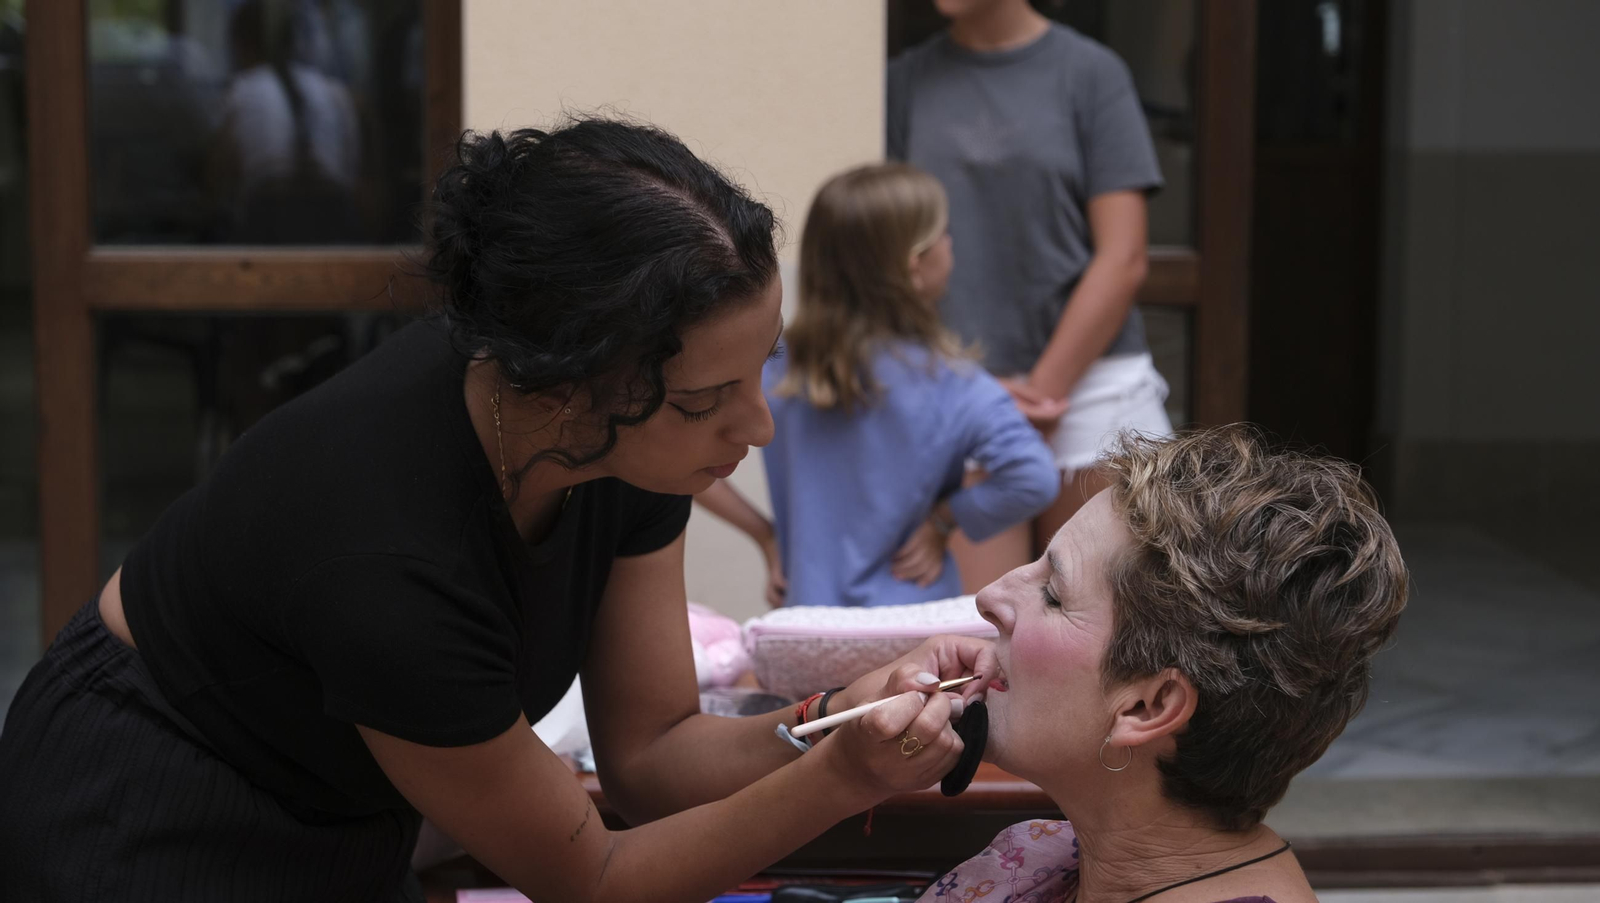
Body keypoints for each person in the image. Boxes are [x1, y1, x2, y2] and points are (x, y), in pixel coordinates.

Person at [0, 118, 996, 902]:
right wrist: (843, 777)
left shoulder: (611, 442)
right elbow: (594, 878)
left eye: (759, 369)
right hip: (150, 807)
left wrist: (836, 714)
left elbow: (651, 758)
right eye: (705, 401)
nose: (758, 427)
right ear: (568, 385)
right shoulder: (386, 551)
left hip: (339, 808)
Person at [920, 426, 1408, 903]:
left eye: (1052, 594)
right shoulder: (1030, 860)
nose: (989, 597)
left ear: (1148, 707)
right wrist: (870, 771)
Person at [888, 0, 1172, 588]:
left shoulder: (1092, 74)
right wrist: (982, 402)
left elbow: (1123, 258)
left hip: (1092, 388)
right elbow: (884, 254)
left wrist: (1040, 393)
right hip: (963, 392)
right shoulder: (903, 81)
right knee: (980, 627)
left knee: (1112, 619)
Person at [695, 163, 1059, 609]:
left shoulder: (772, 364)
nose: (950, 243)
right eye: (943, 234)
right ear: (915, 266)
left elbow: (685, 453)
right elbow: (1035, 478)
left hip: (808, 621)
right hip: (912, 624)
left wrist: (766, 536)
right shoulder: (955, 383)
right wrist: (944, 521)